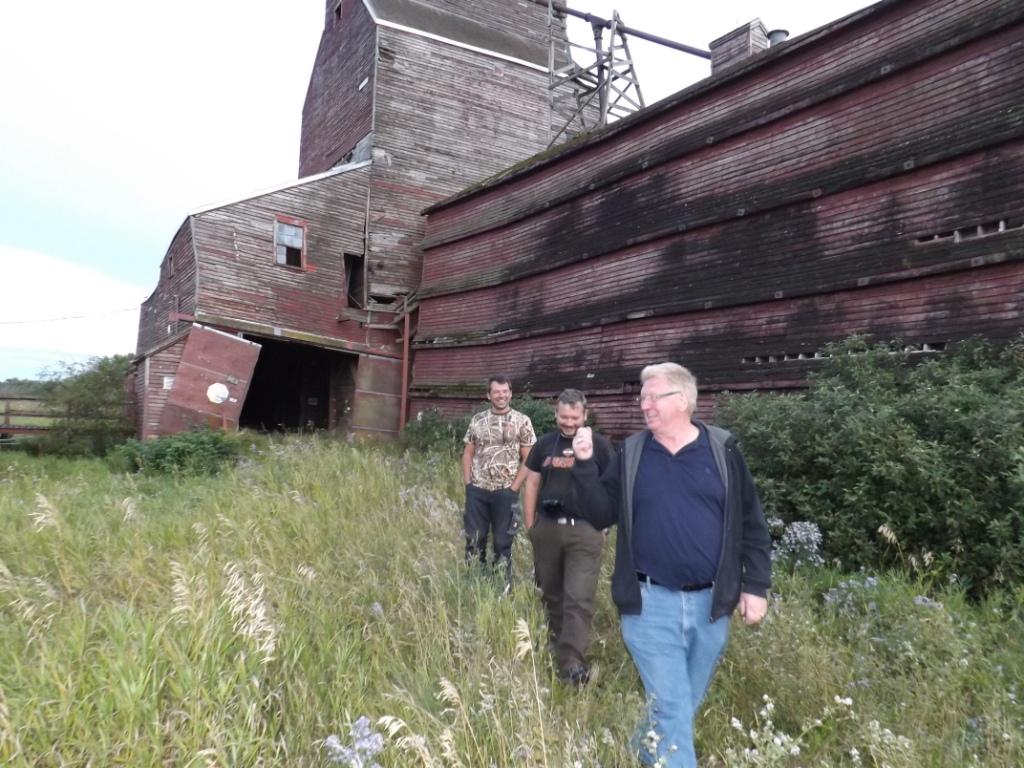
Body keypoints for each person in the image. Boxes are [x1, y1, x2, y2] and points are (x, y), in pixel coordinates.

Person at [571, 362, 772, 768]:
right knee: (672, 704)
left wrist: (756, 585)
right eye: (642, 397)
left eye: (652, 397)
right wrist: (585, 464)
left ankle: (643, 750)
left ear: (682, 400)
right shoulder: (632, 453)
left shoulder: (723, 451)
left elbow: (751, 521)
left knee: (679, 706)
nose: (643, 405)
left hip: (711, 606)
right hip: (649, 605)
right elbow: (599, 513)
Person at [522, 389, 613, 686]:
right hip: (547, 528)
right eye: (564, 417)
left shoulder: (599, 446)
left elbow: (610, 486)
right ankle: (557, 645)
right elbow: (532, 483)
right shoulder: (545, 444)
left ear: (585, 415)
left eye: (575, 417)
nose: (569, 422)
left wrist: (604, 525)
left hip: (585, 530)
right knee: (551, 593)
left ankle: (572, 663)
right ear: (556, 414)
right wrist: (531, 525)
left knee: (578, 595)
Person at [462, 375, 536, 582]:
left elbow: (529, 458)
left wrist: (514, 487)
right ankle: (474, 583)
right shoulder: (478, 420)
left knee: (503, 543)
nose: (501, 395)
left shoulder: (522, 421)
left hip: (506, 492)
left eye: (505, 391)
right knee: (474, 540)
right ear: (489, 395)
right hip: (478, 490)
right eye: (496, 392)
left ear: (510, 394)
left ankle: (502, 586)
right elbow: (468, 452)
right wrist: (468, 484)